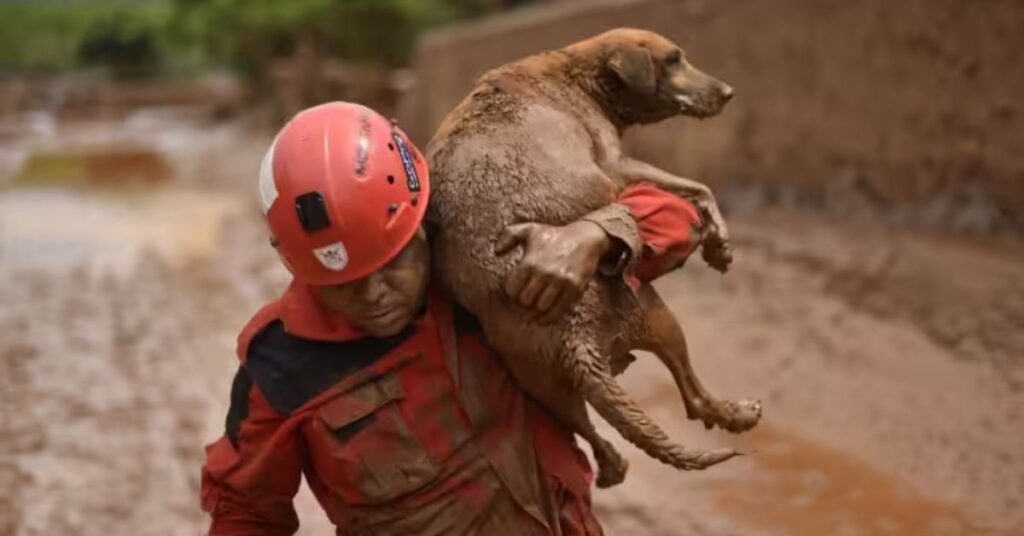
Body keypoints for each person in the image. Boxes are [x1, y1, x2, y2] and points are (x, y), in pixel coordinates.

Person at [200, 102, 707, 535]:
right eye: (343, 285)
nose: (376, 295)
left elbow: (684, 216)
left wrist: (595, 235)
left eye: (392, 262)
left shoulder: (487, 256)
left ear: (421, 220)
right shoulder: (280, 368)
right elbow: (245, 510)